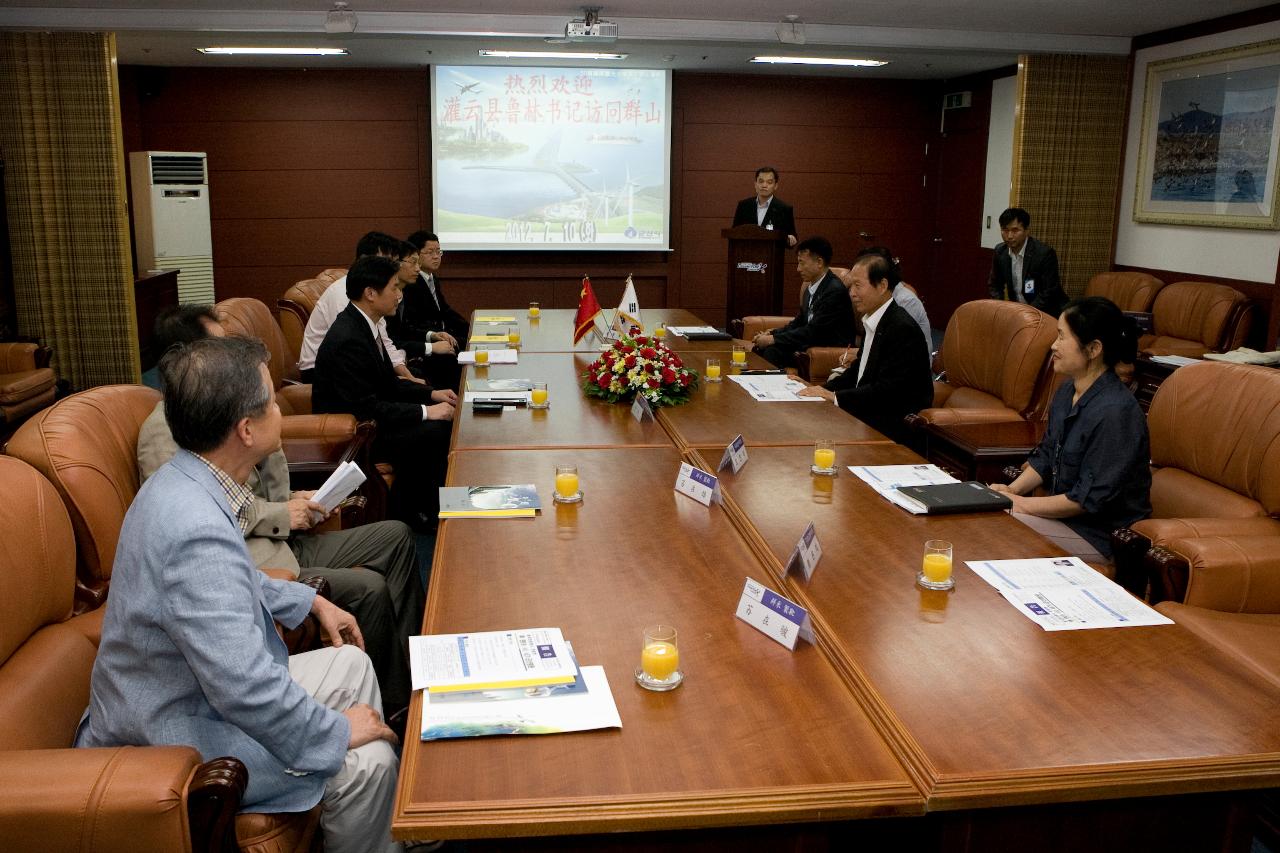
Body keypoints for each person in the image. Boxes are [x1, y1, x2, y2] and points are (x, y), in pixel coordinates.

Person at [78, 334, 404, 853]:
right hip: (173, 733)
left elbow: (229, 578)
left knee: (351, 663)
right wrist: (335, 733)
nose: (280, 406)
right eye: (271, 399)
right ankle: (365, 809)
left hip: (184, 697)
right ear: (246, 429)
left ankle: (362, 823)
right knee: (368, 763)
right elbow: (244, 688)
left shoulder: (184, 482)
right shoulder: (193, 525)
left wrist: (311, 602)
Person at [137, 303, 423, 716]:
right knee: (370, 590)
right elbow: (207, 520)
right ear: (192, 359)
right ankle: (392, 704)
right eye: (222, 347)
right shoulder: (169, 436)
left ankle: (408, 660)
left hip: (285, 540)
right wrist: (277, 514)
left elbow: (244, 492)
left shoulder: (233, 414)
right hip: (263, 557)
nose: (233, 355)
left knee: (394, 535)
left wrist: (293, 502)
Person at [991, 296, 1151, 563]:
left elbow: (1085, 501)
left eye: (1062, 337)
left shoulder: (1116, 412)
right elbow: (1046, 456)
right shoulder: (1067, 390)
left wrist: (1018, 505)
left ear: (1093, 348)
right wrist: (1012, 491)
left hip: (1099, 535)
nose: (1053, 345)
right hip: (1063, 520)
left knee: (1000, 524)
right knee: (988, 512)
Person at [313, 255, 456, 531]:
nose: (400, 296)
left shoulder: (365, 324)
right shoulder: (349, 338)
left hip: (370, 418)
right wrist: (426, 412)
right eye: (394, 288)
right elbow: (367, 407)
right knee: (434, 431)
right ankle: (416, 513)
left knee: (437, 423)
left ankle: (425, 507)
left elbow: (387, 383)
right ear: (370, 293)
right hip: (354, 433)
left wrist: (431, 394)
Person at [798, 252, 933, 441]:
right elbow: (859, 371)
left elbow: (887, 391)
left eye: (858, 285)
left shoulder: (901, 328)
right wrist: (820, 391)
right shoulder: (875, 318)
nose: (851, 292)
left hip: (890, 424)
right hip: (868, 411)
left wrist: (836, 397)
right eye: (851, 285)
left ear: (882, 286)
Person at [298, 231, 424, 385]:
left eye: (394, 262)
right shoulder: (345, 294)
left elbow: (384, 341)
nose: (391, 268)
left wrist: (408, 375)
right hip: (320, 371)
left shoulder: (374, 293)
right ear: (364, 260)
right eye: (384, 261)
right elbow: (352, 347)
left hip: (356, 361)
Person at [751, 236, 856, 369]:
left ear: (819, 262)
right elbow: (799, 322)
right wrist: (773, 334)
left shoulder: (834, 291)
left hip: (827, 349)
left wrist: (773, 339)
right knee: (762, 348)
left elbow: (815, 331)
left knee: (772, 350)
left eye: (802, 263)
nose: (798, 269)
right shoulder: (811, 287)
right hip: (811, 343)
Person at [385, 232, 466, 390]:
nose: (436, 256)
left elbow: (444, 311)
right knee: (448, 359)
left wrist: (433, 336)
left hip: (412, 347)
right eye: (430, 252)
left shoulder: (411, 286)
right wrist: (431, 345)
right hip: (405, 357)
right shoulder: (399, 291)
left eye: (439, 252)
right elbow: (395, 339)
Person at [832, 246, 932, 359]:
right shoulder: (875, 306)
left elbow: (896, 352)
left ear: (882, 283)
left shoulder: (906, 302)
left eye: (858, 285)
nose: (852, 293)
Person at [987, 207, 1067, 316]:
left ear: (1027, 230)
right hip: (1019, 312)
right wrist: (1001, 308)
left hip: (1048, 312)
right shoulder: (1000, 252)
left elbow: (1049, 291)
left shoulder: (1044, 254)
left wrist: (1027, 313)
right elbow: (995, 285)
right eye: (1005, 230)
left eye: (1015, 230)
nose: (1009, 236)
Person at [732, 166, 797, 247]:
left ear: (776, 185)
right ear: (755, 184)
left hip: (772, 256)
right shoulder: (744, 206)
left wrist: (790, 239)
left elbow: (792, 238)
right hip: (746, 255)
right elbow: (734, 233)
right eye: (761, 181)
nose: (764, 185)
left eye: (769, 182)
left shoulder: (784, 209)